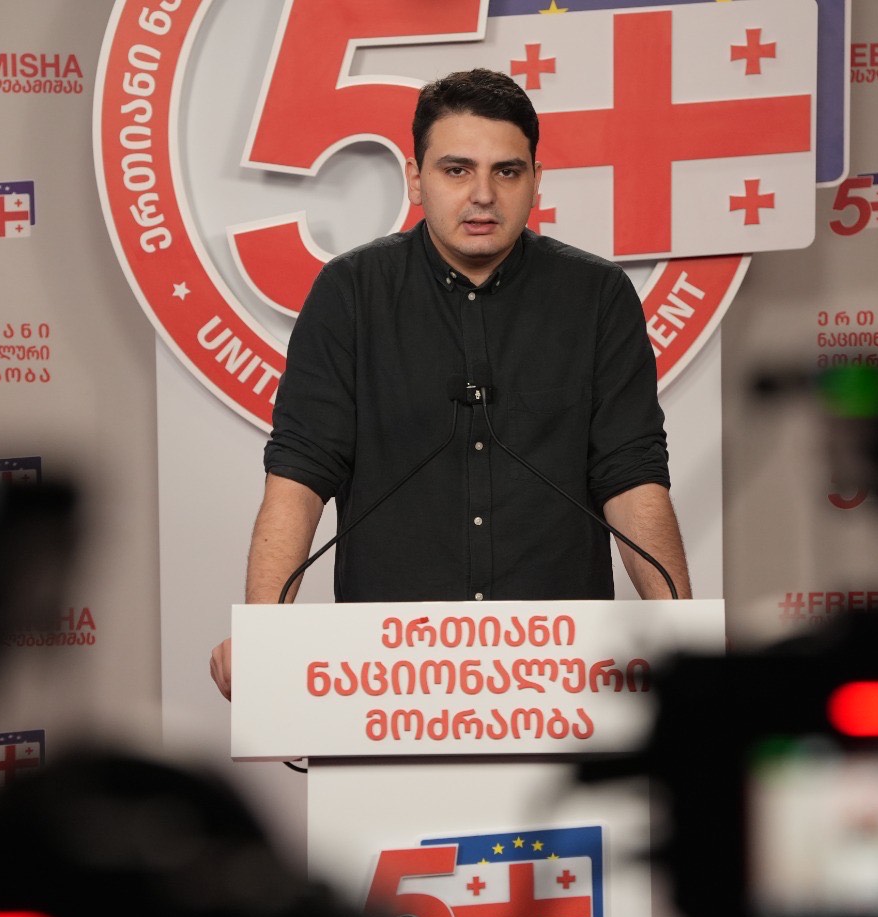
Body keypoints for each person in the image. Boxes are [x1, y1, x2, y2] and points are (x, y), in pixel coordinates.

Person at [210, 68, 690, 700]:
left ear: (536, 180)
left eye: (507, 171)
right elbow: (300, 474)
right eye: (457, 170)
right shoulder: (350, 294)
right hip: (389, 675)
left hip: (560, 673)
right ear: (416, 179)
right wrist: (264, 630)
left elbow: (631, 475)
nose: (483, 195)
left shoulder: (597, 297)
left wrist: (684, 637)